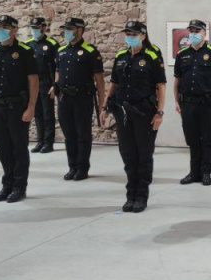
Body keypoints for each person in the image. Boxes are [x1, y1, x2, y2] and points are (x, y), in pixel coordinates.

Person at [101, 21, 167, 213]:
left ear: (143, 36)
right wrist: (105, 105)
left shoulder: (152, 56)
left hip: (144, 112)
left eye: (134, 34)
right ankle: (130, 195)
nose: (130, 37)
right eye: (128, 33)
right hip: (123, 113)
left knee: (144, 155)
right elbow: (114, 83)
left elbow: (161, 86)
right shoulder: (121, 56)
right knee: (128, 154)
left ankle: (141, 195)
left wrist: (160, 113)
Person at [0, 16, 39, 203]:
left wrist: (31, 108)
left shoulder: (25, 52)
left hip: (16, 107)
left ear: (14, 30)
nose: (0, 30)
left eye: (5, 27)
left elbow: (33, 81)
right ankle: (7, 185)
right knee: (2, 148)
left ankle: (19, 187)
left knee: (18, 148)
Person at [174, 19, 211, 186]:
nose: (193, 34)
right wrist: (177, 101)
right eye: (191, 31)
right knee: (192, 140)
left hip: (207, 104)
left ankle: (206, 172)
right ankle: (194, 172)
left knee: (207, 140)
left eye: (197, 31)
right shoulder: (182, 55)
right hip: (187, 104)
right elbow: (177, 80)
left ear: (205, 33)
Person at [53, 17, 104, 181]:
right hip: (64, 98)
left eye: (71, 29)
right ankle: (72, 166)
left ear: (81, 30)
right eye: (66, 29)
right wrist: (54, 85)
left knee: (83, 134)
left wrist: (103, 103)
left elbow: (99, 79)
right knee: (69, 134)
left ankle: (82, 168)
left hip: (82, 98)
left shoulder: (90, 51)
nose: (67, 32)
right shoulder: (61, 51)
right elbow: (58, 72)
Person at [26, 17, 58, 154]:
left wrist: (55, 84)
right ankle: (40, 141)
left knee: (47, 113)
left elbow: (58, 66)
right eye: (32, 28)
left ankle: (48, 142)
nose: (34, 30)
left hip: (46, 82)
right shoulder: (28, 44)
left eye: (37, 28)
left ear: (44, 28)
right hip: (33, 84)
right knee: (37, 113)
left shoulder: (52, 44)